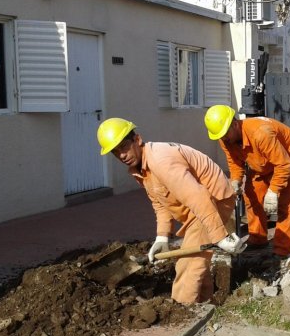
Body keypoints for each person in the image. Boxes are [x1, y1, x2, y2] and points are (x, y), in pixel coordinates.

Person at [96, 117, 247, 305]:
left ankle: (183, 310)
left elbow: (197, 196)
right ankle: (206, 303)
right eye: (115, 152)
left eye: (124, 146)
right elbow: (160, 202)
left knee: (188, 262)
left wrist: (219, 236)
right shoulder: (140, 168)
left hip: (214, 200)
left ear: (137, 140)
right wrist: (162, 237)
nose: (122, 155)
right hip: (197, 207)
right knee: (195, 259)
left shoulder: (160, 160)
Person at [204, 105, 290, 258]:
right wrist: (235, 181)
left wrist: (273, 190)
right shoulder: (225, 139)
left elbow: (284, 164)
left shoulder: (261, 133)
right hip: (262, 161)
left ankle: (283, 249)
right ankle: (257, 238)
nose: (224, 139)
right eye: (220, 136)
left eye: (225, 134)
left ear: (235, 124)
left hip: (289, 158)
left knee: (285, 205)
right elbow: (235, 162)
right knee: (251, 194)